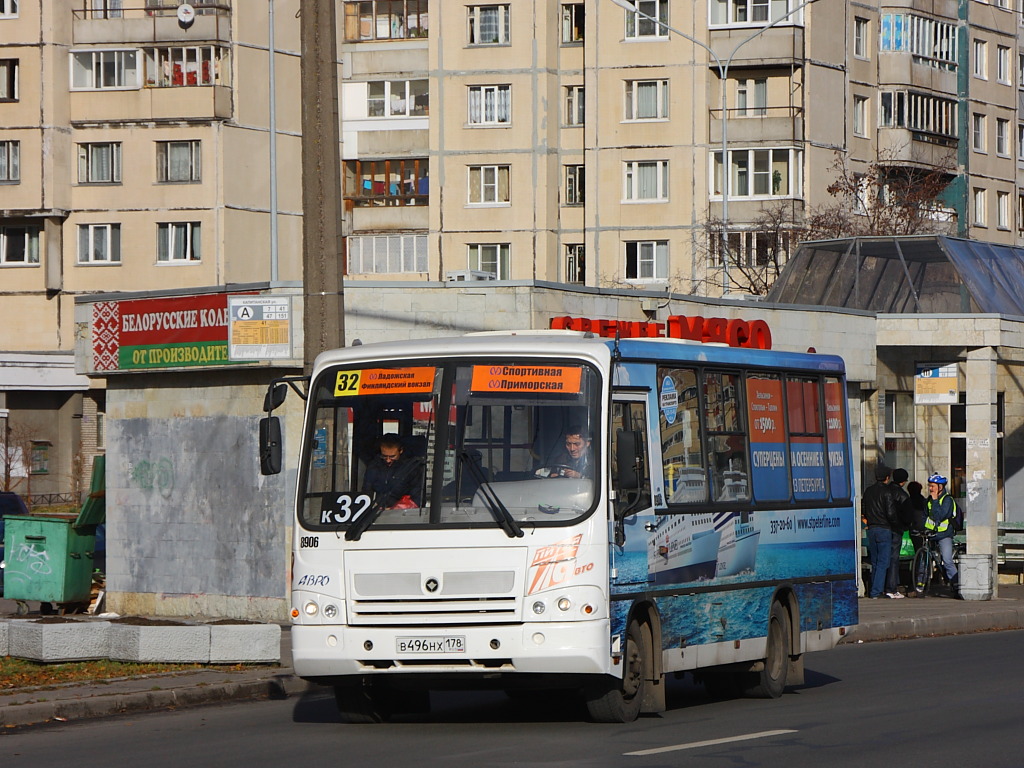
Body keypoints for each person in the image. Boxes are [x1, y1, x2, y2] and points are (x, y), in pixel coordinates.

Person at [862, 464, 899, 599]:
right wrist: (895, 524)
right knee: (884, 562)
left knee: (875, 561)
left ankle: (874, 589)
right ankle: (876, 591)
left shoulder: (868, 491)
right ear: (887, 477)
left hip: (871, 528)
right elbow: (890, 513)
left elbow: (864, 509)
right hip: (884, 528)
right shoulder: (887, 492)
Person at [361, 434, 423, 509]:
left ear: (401, 450)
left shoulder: (412, 468)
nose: (388, 460)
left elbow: (417, 497)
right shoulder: (374, 466)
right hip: (375, 511)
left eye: (392, 456)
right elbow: (366, 490)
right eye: (384, 456)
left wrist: (397, 508)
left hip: (401, 514)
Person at [925, 473, 959, 594]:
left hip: (945, 534)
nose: (930, 488)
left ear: (940, 487)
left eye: (933, 486)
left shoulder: (947, 500)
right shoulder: (929, 499)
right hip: (931, 533)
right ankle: (920, 583)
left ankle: (956, 584)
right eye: (929, 485)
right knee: (925, 557)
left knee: (947, 560)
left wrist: (934, 501)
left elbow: (939, 515)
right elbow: (927, 515)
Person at [885, 468, 913, 598]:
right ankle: (892, 587)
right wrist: (905, 525)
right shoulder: (903, 495)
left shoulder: (885, 491)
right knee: (894, 559)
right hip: (896, 529)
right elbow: (908, 515)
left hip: (883, 528)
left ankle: (881, 587)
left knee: (883, 558)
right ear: (903, 481)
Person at [905, 480, 927, 555]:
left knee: (917, 548)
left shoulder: (908, 501)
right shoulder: (924, 501)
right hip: (925, 527)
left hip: (914, 527)